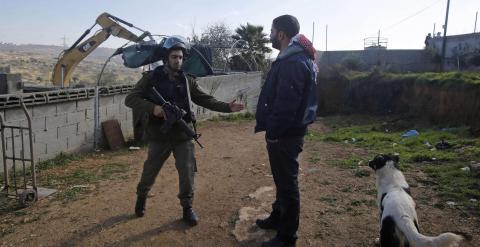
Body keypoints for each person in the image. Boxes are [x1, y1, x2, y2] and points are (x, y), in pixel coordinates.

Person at [125, 35, 244, 226]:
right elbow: (130, 99)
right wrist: (153, 108)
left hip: (182, 135)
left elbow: (205, 99)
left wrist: (226, 107)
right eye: (174, 57)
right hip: (159, 135)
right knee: (149, 172)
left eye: (180, 57)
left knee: (187, 173)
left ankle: (187, 208)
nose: (177, 60)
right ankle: (141, 198)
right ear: (166, 58)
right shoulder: (151, 78)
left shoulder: (188, 81)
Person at [254, 15, 318, 247]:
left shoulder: (292, 62)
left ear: (280, 34)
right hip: (289, 131)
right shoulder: (296, 57)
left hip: (285, 134)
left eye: (272, 31)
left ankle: (287, 236)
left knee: (288, 184)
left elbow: (287, 104)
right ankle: (278, 217)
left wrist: (273, 132)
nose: (270, 35)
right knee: (282, 181)